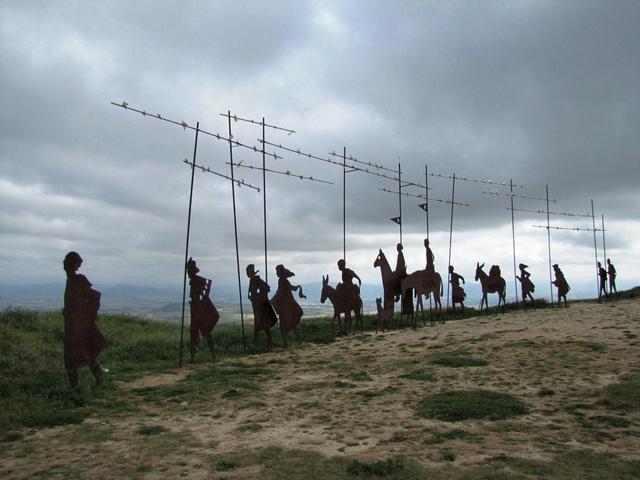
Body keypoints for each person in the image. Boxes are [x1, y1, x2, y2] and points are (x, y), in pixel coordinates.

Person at [62, 251, 105, 388]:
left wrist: (82, 312)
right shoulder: (71, 281)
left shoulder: (79, 280)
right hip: (71, 326)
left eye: (67, 263)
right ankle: (74, 386)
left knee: (86, 355)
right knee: (71, 358)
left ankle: (99, 381)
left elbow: (93, 297)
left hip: (80, 327)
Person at [186, 258, 219, 362]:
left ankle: (213, 355)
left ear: (192, 271)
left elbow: (208, 283)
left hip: (200, 312)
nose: (187, 273)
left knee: (206, 333)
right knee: (194, 334)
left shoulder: (198, 280)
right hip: (195, 311)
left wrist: (203, 297)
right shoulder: (193, 281)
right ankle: (193, 357)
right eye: (187, 271)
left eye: (188, 271)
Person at [271, 264, 306, 347]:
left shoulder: (283, 281)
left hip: (289, 305)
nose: (277, 273)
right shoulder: (282, 281)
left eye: (278, 271)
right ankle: (288, 342)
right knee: (288, 324)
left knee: (290, 323)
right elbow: (281, 291)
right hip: (287, 305)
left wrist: (298, 287)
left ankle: (290, 341)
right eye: (276, 272)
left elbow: (287, 289)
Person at [246, 264, 277, 351]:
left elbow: (267, 288)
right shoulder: (252, 280)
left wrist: (258, 296)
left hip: (261, 307)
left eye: (248, 272)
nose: (247, 273)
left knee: (262, 326)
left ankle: (265, 346)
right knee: (260, 326)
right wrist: (252, 297)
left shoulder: (256, 279)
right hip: (257, 307)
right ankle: (261, 345)